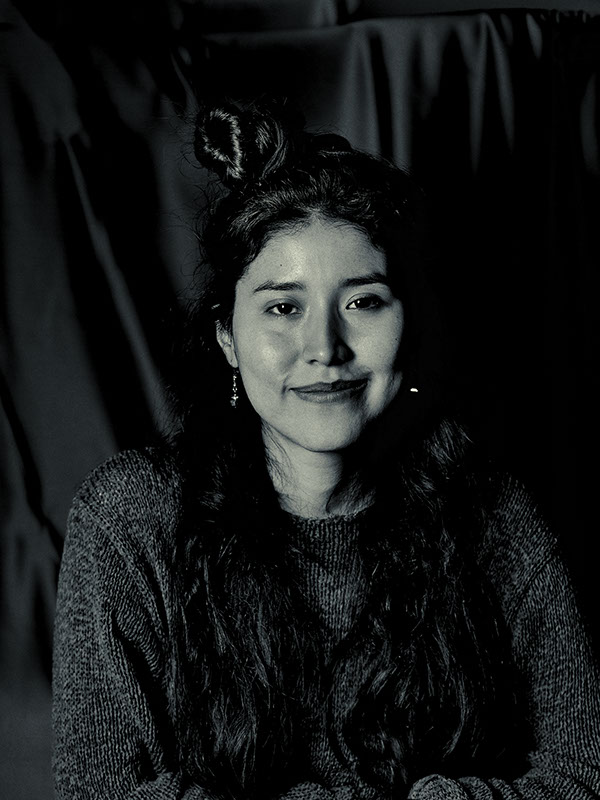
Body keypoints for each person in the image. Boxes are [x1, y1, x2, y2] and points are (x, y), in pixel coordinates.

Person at [52, 98, 600, 800]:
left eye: (363, 302)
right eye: (284, 307)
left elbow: (584, 775)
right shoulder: (130, 519)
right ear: (227, 337)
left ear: (410, 322)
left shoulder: (494, 516)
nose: (325, 349)